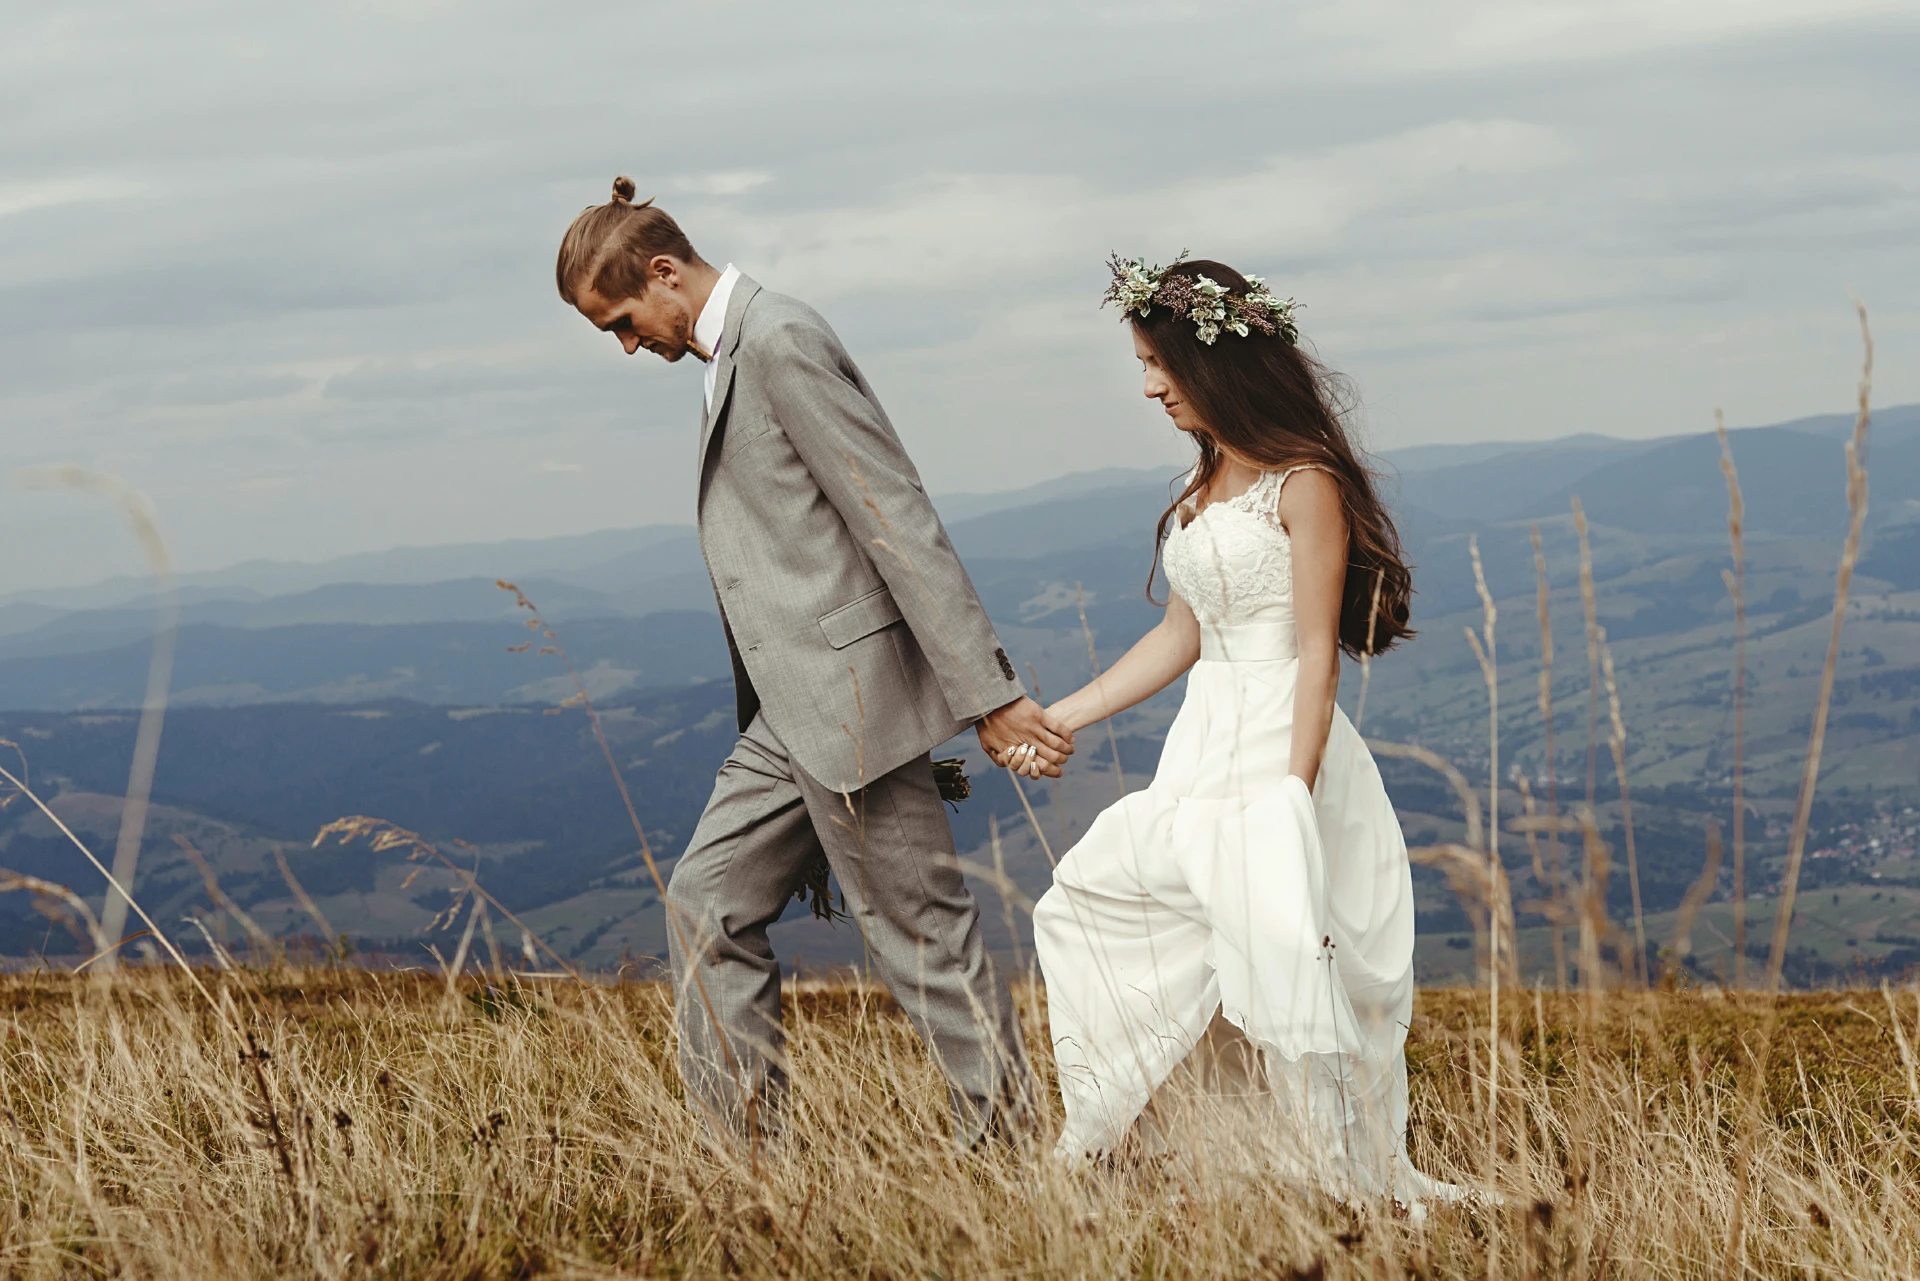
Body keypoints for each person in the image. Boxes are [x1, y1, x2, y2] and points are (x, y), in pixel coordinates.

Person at [555, 177, 1070, 1146]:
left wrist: (987, 694)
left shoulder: (780, 339)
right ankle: (750, 1169)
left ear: (664, 272)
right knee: (706, 903)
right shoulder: (725, 358)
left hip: (852, 704)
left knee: (922, 939)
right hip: (786, 718)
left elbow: (896, 520)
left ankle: (1011, 1155)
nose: (629, 346)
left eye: (623, 322)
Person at [1031, 254, 1456, 1203]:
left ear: (1212, 363)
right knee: (1089, 905)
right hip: (1202, 743)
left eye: (1158, 364)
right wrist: (1065, 715)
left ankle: (1334, 1182)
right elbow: (1183, 635)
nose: (1148, 386)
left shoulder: (1304, 483)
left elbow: (1317, 652)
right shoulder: (1205, 483)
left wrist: (1291, 796)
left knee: (1276, 957)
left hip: (1280, 743)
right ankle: (1213, 1158)